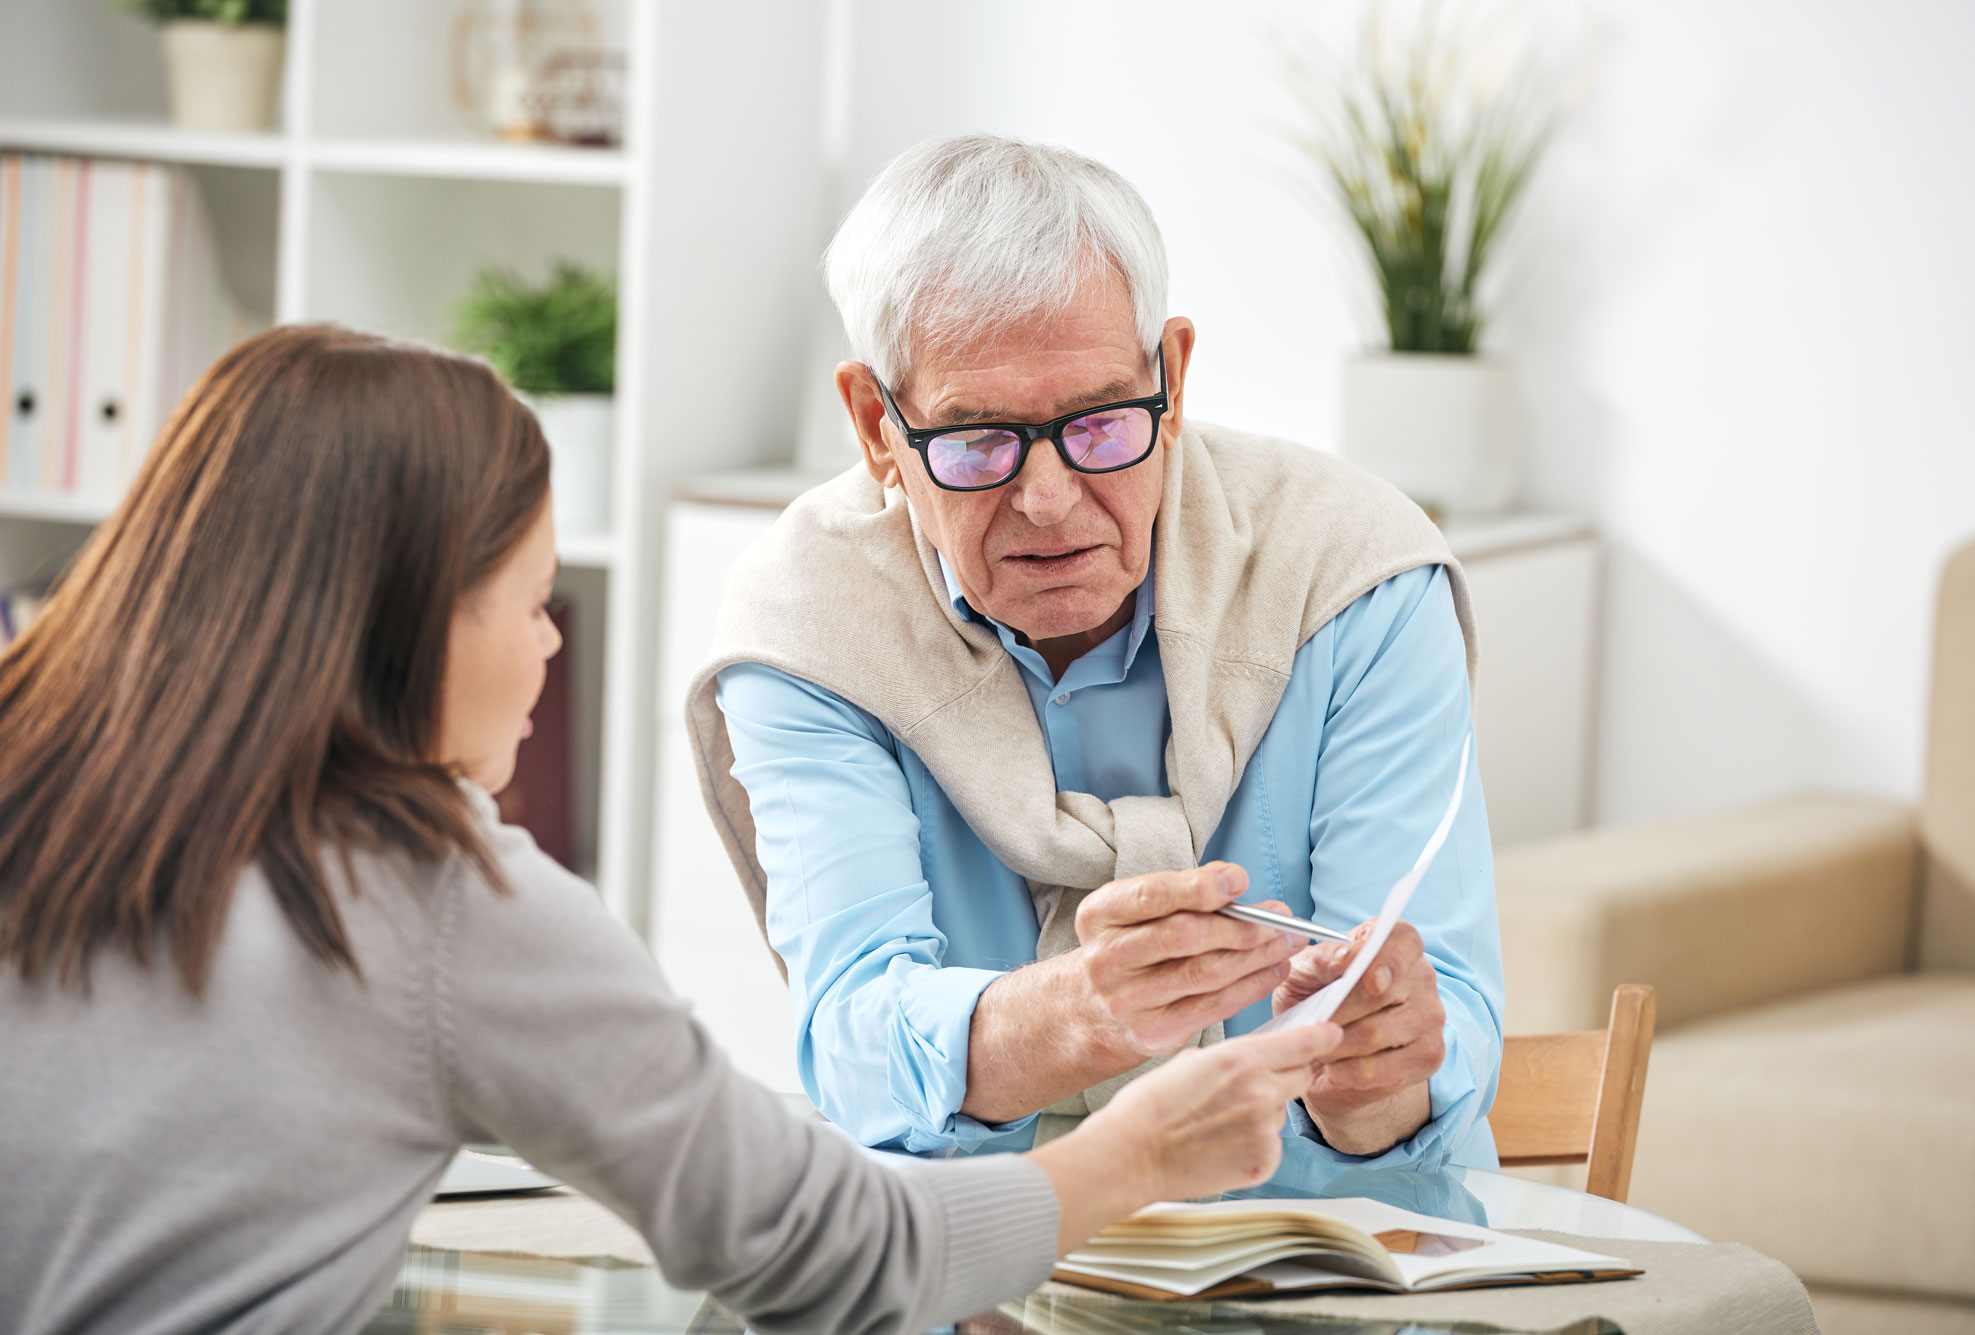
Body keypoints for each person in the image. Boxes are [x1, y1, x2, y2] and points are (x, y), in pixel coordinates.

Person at [0, 325, 1347, 1335]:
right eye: (531, 602)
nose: (546, 652)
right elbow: (833, 1253)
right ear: (403, 620)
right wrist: (1136, 1150)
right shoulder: (432, 896)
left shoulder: (37, 791)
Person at [688, 134, 1505, 1168]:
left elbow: (1447, 1025)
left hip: (1330, 1266)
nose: (1046, 498)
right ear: (872, 426)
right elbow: (853, 1044)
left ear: (1170, 378)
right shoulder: (809, 619)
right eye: (976, 440)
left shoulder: (1352, 574)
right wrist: (1073, 1016)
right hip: (971, 1271)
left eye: (1099, 423)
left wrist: (1375, 1079)